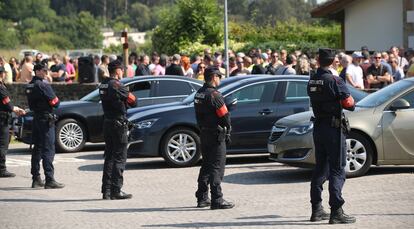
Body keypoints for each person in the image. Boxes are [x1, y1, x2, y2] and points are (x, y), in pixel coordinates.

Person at [307, 48, 356, 224]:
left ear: (318, 60)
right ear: (333, 61)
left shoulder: (312, 79)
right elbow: (349, 103)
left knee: (320, 167)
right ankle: (336, 211)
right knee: (337, 169)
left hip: (318, 128)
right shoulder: (335, 80)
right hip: (334, 129)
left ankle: (317, 209)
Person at [194, 66, 234, 210]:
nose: (220, 79)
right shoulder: (215, 95)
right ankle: (217, 199)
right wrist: (228, 129)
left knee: (206, 165)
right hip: (216, 135)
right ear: (214, 77)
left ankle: (202, 197)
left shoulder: (199, 93)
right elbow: (224, 116)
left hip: (204, 133)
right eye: (219, 77)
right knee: (217, 167)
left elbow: (198, 116)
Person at [99, 60, 137, 200]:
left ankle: (106, 190)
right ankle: (116, 190)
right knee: (120, 158)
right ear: (118, 71)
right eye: (122, 70)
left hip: (107, 122)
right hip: (118, 124)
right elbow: (134, 101)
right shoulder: (117, 85)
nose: (123, 72)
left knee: (109, 157)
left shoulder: (103, 84)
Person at [26, 63, 64, 189]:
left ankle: (36, 178)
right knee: (48, 149)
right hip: (45, 120)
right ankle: (49, 179)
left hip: (36, 118)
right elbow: (56, 102)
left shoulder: (30, 85)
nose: (46, 72)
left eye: (46, 70)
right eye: (43, 70)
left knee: (37, 148)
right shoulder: (43, 85)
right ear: (37, 71)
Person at [0, 66, 26, 178]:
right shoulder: (1, 87)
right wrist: (16, 109)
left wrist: (14, 107)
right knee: (2, 144)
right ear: (2, 74)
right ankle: (2, 169)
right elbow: (7, 104)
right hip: (2, 120)